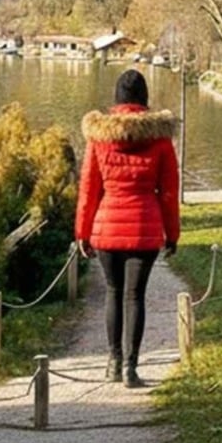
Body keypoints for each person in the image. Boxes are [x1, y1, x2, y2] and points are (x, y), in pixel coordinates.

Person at [75, 69, 181, 388]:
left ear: (117, 99)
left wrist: (82, 232)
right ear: (144, 99)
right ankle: (130, 370)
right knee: (135, 296)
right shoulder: (160, 140)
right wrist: (172, 234)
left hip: (106, 227)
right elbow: (170, 192)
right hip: (145, 228)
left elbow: (88, 189)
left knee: (113, 293)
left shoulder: (99, 137)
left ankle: (112, 361)